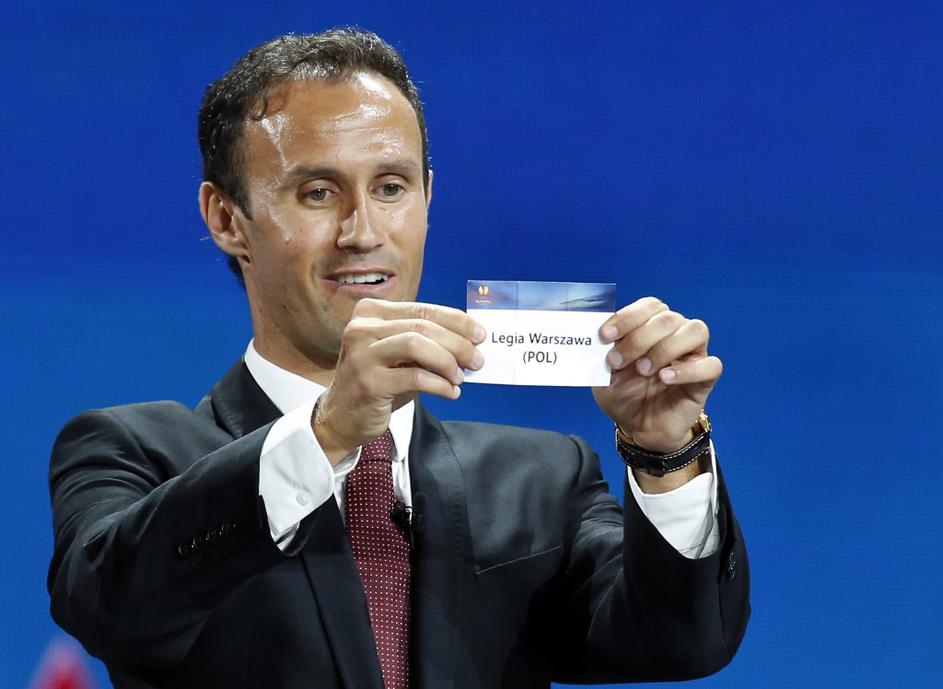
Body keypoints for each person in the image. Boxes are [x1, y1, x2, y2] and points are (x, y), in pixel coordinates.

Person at [48, 29, 749, 689]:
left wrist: (666, 451)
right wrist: (326, 433)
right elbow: (110, 605)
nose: (363, 232)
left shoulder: (540, 480)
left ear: (427, 198)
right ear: (226, 219)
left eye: (390, 187)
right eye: (317, 192)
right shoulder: (134, 455)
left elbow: (681, 641)